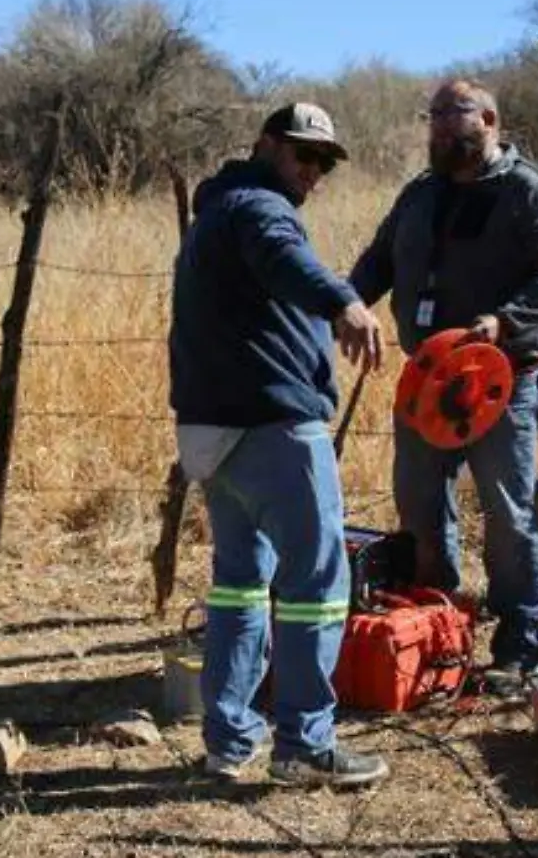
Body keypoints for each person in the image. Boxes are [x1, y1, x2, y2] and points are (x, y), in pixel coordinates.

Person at [168, 101, 390, 789]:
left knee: (239, 584)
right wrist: (344, 301)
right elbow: (285, 258)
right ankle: (304, 744)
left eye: (323, 160)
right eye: (303, 154)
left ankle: (228, 742)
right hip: (272, 428)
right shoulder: (260, 209)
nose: (314, 170)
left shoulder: (217, 211)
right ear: (266, 145)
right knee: (318, 585)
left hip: (212, 432)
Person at [348, 79, 538, 691]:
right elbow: (378, 260)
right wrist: (347, 303)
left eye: (456, 119)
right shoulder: (419, 195)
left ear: (490, 120)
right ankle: (438, 629)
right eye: (435, 120)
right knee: (419, 504)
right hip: (428, 379)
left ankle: (518, 646)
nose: (443, 131)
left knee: (507, 514)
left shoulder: (529, 191)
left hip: (499, 382)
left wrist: (505, 320)